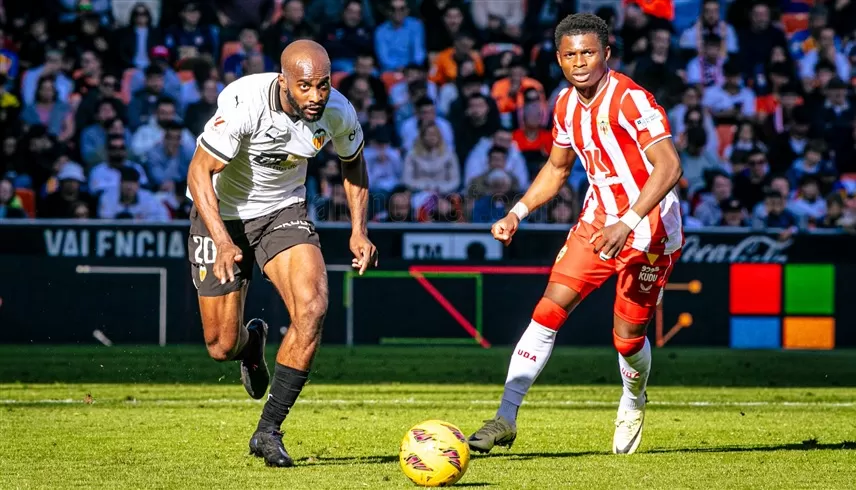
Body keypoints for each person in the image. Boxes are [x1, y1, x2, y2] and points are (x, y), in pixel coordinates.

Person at [468, 14, 684, 456]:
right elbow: (557, 168)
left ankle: (633, 399)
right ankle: (505, 417)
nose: (580, 62)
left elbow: (670, 166)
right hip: (597, 222)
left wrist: (628, 222)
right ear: (559, 59)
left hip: (650, 230)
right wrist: (517, 212)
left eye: (588, 52)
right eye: (570, 55)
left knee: (627, 339)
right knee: (547, 311)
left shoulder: (631, 100)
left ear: (607, 54)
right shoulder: (565, 104)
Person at [185, 40, 377, 467]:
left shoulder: (338, 110)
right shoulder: (245, 103)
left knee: (312, 307)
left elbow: (354, 163)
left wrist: (359, 230)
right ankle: (252, 345)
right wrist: (222, 240)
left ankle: (268, 430)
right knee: (221, 346)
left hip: (282, 213)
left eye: (323, 85)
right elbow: (199, 172)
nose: (316, 96)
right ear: (284, 80)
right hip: (221, 215)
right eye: (305, 86)